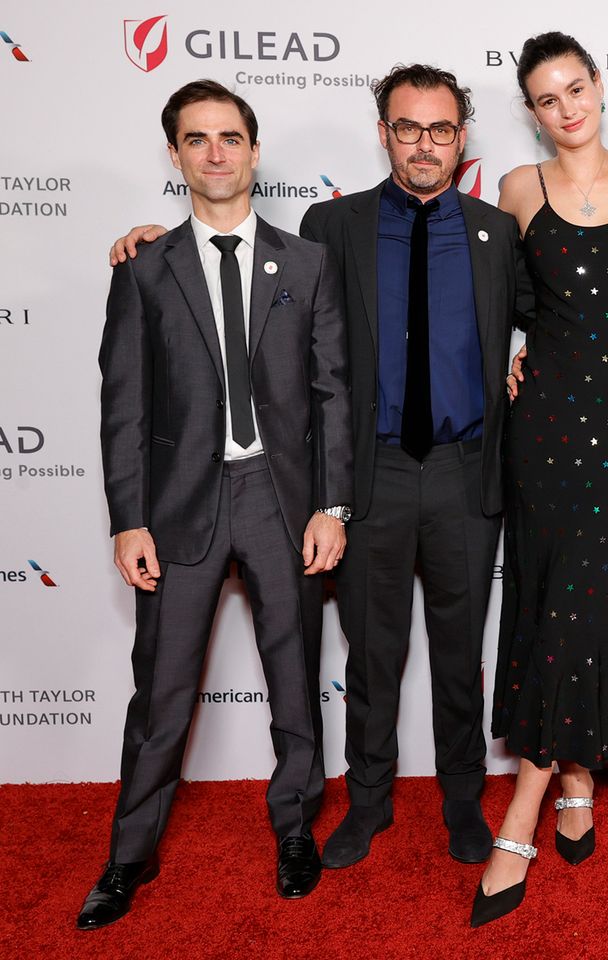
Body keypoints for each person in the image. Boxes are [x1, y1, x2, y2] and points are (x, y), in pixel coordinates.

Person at [111, 65, 537, 869]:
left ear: (461, 139)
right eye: (407, 127)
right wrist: (144, 242)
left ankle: (460, 802)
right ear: (383, 134)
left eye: (440, 129)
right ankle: (368, 802)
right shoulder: (329, 226)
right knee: (372, 657)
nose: (423, 144)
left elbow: (545, 316)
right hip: (365, 475)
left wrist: (535, 362)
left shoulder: (494, 231)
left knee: (460, 654)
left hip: (463, 472)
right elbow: (239, 272)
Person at [79, 80, 352, 930]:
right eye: (197, 140)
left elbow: (332, 392)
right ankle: (128, 858)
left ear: (255, 149)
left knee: (295, 681)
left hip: (282, 500)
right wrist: (128, 518)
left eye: (231, 138)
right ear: (175, 155)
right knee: (159, 693)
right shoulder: (146, 269)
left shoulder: (305, 263)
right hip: (177, 509)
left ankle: (295, 831)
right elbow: (122, 404)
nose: (216, 154)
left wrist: (331, 506)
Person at [468, 31, 608, 928]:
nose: (567, 108)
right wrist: (509, 357)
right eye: (547, 99)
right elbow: (487, 299)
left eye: (577, 88)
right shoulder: (516, 191)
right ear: (533, 110)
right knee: (563, 593)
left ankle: (520, 810)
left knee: (580, 586)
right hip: (541, 419)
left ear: (599, 87)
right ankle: (579, 771)